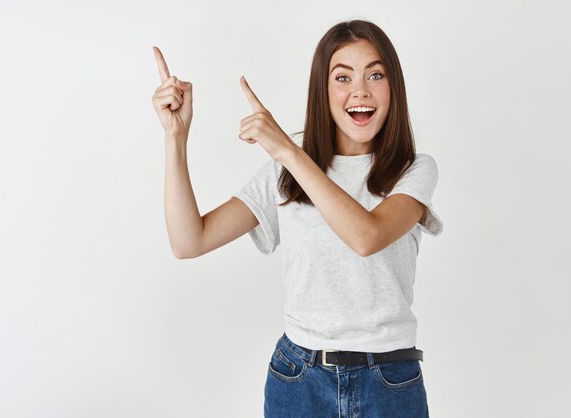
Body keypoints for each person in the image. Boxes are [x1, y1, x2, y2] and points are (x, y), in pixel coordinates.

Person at [152, 18, 442, 418]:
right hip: (299, 379)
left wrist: (289, 151)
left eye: (376, 74)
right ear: (322, 90)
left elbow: (366, 237)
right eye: (343, 77)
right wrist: (175, 137)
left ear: (394, 88)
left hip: (390, 382)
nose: (360, 90)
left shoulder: (413, 170)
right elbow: (189, 240)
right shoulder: (286, 170)